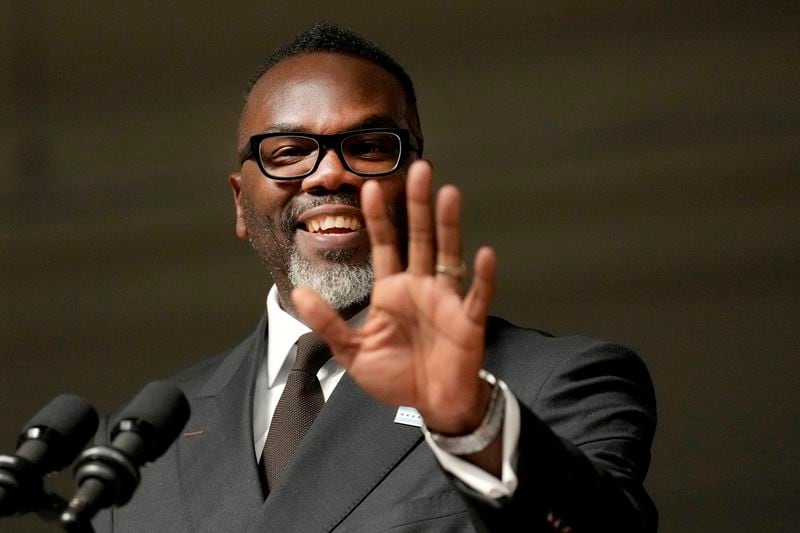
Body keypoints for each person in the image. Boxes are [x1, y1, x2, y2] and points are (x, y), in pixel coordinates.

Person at [94, 23, 657, 532]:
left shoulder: (559, 382)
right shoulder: (141, 439)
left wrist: (469, 421)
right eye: (288, 151)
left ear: (418, 183)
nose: (330, 172)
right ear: (241, 205)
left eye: (367, 147)